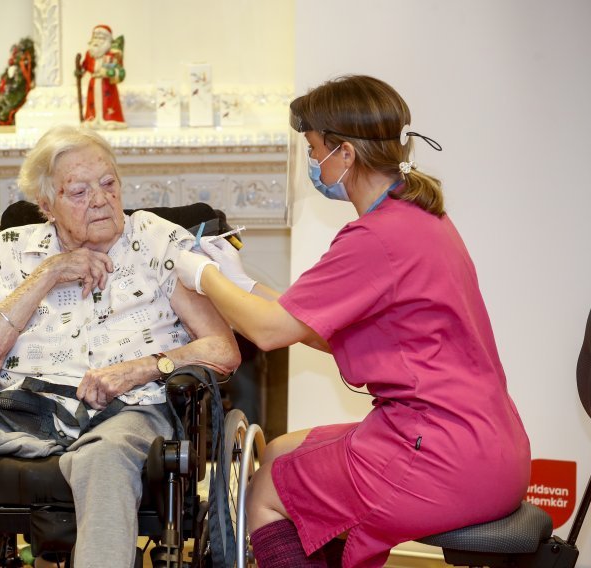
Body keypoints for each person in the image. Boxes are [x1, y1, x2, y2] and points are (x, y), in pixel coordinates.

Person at [175, 75, 531, 568]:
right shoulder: (421, 217)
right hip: (489, 444)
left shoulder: (374, 239)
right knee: (278, 452)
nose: (311, 164)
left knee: (265, 491)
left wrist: (203, 274)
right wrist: (245, 283)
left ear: (345, 154)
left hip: (440, 456)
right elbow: (309, 323)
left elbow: (270, 332)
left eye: (313, 148)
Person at [0, 125, 240, 568]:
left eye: (109, 183)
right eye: (79, 191)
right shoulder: (10, 250)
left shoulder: (153, 241)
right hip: (30, 416)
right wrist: (49, 273)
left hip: (128, 412)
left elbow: (223, 350)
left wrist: (147, 366)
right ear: (47, 206)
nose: (101, 199)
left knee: (104, 456)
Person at [75, 24, 127, 129]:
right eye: (96, 37)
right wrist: (79, 71)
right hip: (93, 84)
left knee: (108, 102)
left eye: (101, 38)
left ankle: (110, 120)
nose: (98, 40)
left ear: (108, 40)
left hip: (107, 85)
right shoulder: (89, 54)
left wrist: (109, 72)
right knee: (92, 103)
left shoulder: (113, 55)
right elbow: (85, 66)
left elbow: (120, 71)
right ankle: (92, 119)